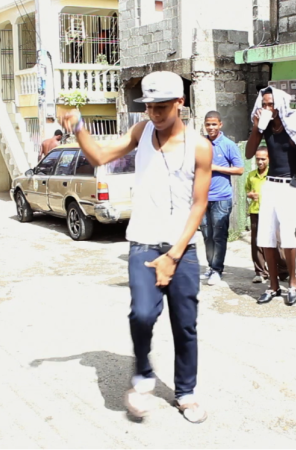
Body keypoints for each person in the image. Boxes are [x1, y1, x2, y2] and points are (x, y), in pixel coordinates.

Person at [62, 71, 212, 423]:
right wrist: (78, 126)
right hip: (143, 243)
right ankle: (143, 374)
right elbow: (100, 155)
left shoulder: (200, 146)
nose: (154, 114)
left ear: (180, 103)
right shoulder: (141, 131)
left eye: (162, 107)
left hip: (182, 249)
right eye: (149, 107)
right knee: (142, 314)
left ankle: (186, 392)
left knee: (185, 324)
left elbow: (199, 204)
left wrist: (174, 255)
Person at [244, 87, 296, 307]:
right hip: (270, 185)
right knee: (265, 237)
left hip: (290, 187)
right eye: (264, 104)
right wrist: (256, 127)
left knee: (287, 236)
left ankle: (293, 283)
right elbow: (248, 153)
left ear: (281, 104)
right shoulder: (265, 127)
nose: (267, 108)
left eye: (271, 104)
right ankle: (273, 286)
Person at [200, 111, 244, 286]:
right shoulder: (201, 144)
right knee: (206, 235)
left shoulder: (228, 145)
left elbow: (239, 169)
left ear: (220, 125)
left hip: (221, 198)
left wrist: (215, 168)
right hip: (202, 197)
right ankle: (211, 266)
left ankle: (217, 270)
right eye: (208, 124)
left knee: (219, 236)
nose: (211, 127)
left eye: (214, 124)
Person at [246, 147, 288, 284]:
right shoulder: (251, 175)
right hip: (256, 211)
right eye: (257, 159)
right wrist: (250, 195)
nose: (260, 162)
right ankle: (260, 272)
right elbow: (247, 190)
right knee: (257, 243)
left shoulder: (274, 175)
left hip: (272, 212)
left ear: (269, 159)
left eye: (263, 159)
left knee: (278, 242)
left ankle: (284, 271)